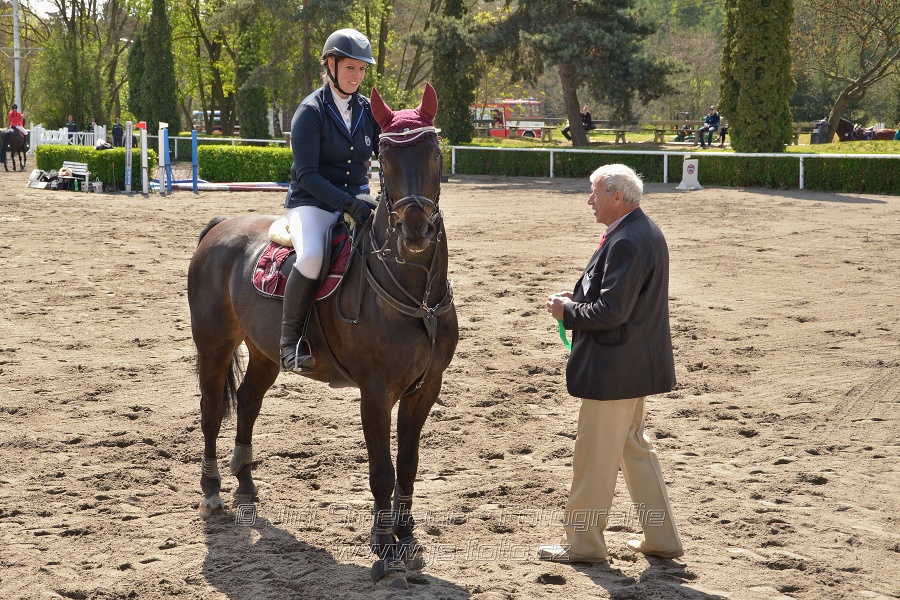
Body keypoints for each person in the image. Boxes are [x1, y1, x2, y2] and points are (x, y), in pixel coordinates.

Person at [538, 163, 683, 564]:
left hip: (614, 368)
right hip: (632, 365)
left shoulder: (628, 240)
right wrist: (580, 300)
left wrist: (567, 311)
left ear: (617, 197)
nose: (589, 200)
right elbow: (620, 300)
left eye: (594, 193)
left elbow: (612, 312)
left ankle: (584, 544)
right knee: (634, 450)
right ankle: (662, 538)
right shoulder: (640, 230)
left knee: (594, 459)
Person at [279, 28, 380, 373]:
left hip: (358, 198)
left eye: (362, 69)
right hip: (312, 203)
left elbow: (386, 151)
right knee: (311, 257)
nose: (357, 76)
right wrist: (347, 204)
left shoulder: (367, 111)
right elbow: (306, 174)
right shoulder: (311, 111)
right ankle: (290, 342)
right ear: (331, 65)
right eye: (350, 67)